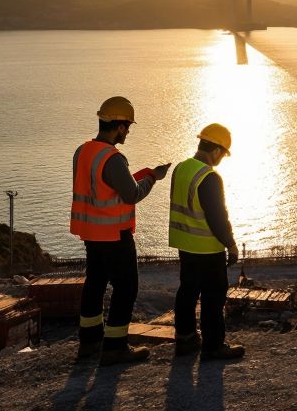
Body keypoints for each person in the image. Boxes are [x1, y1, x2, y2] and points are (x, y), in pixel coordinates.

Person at [70, 96, 170, 366]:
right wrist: (152, 177)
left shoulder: (83, 151)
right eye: (128, 127)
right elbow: (130, 195)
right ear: (120, 126)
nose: (128, 132)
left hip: (92, 233)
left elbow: (102, 185)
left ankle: (89, 343)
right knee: (126, 288)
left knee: (95, 285)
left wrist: (136, 174)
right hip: (114, 234)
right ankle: (115, 347)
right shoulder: (113, 158)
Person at [169, 123, 245, 361]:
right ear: (216, 150)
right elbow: (217, 217)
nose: (222, 159)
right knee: (213, 297)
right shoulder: (209, 177)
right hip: (208, 248)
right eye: (223, 154)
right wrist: (231, 244)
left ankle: (185, 339)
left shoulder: (181, 169)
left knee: (187, 293)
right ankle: (213, 347)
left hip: (185, 245)